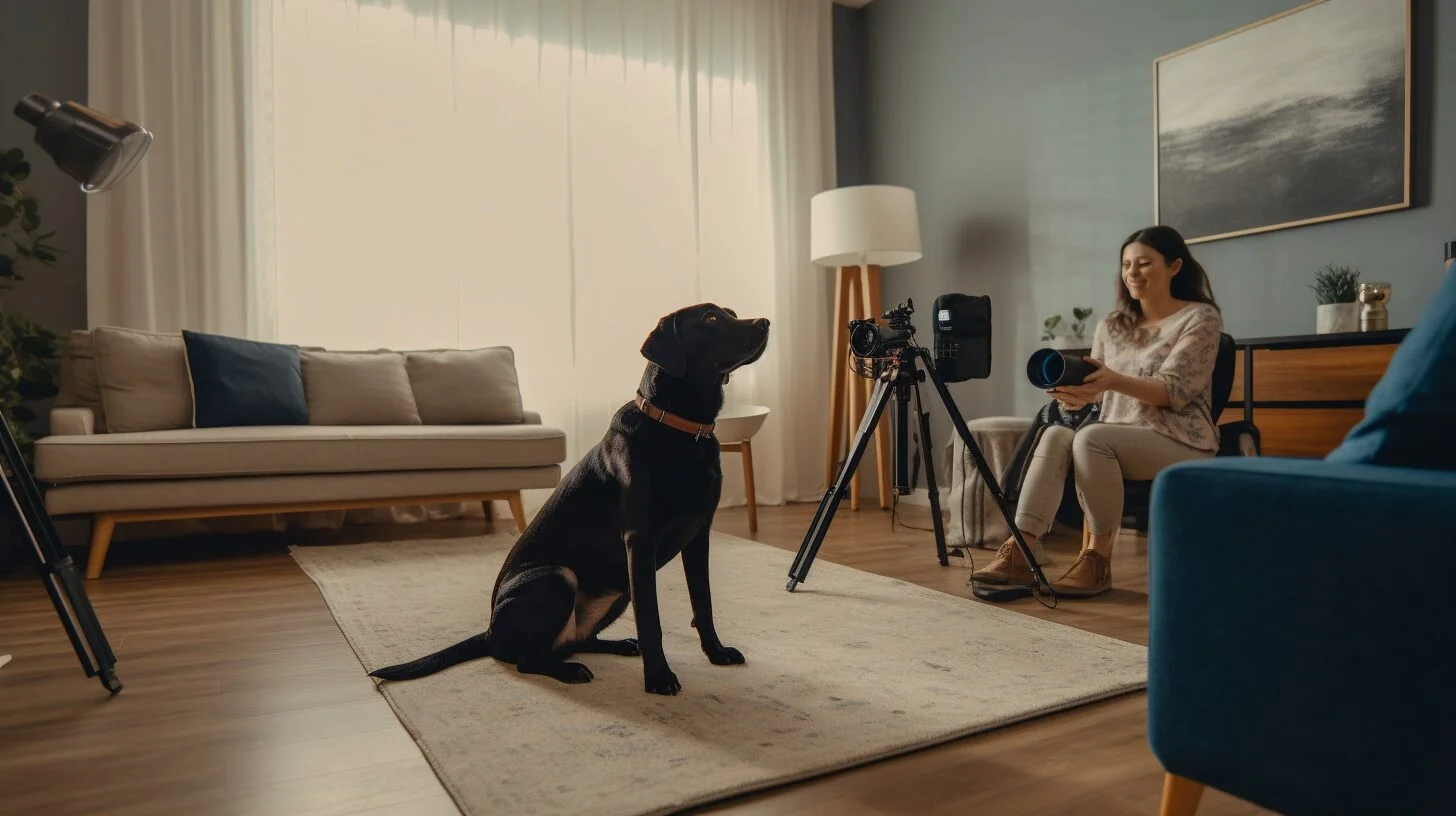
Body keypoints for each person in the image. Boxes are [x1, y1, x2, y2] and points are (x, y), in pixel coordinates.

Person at [972, 225, 1224, 598]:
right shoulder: (1113, 324)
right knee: (1057, 432)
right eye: (1126, 265)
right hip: (1115, 434)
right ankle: (1021, 551)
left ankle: (1097, 560)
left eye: (1144, 263)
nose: (1132, 273)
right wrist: (1079, 396)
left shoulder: (1199, 318)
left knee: (1092, 438)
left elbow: (1173, 392)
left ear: (1174, 267)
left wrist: (1109, 382)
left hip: (1181, 439)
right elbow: (1101, 391)